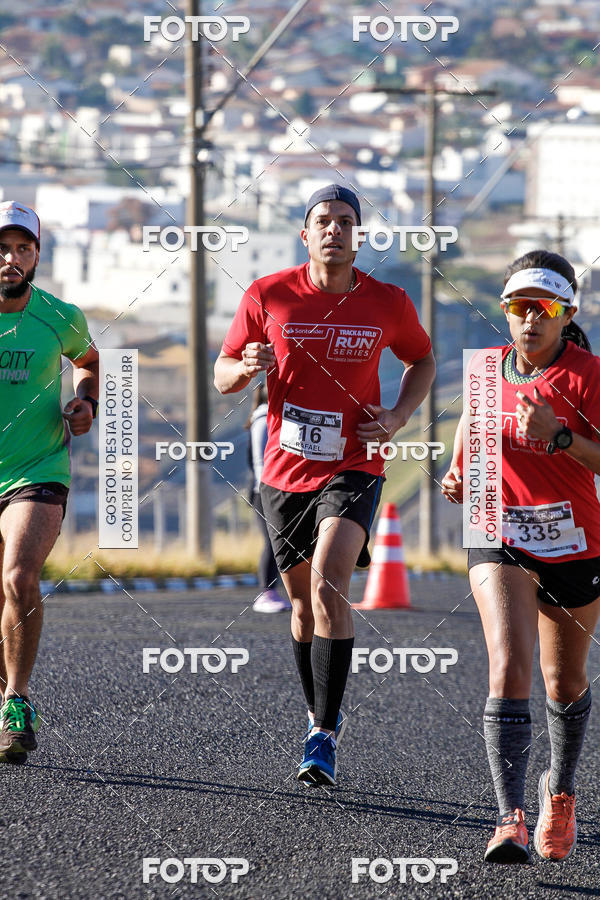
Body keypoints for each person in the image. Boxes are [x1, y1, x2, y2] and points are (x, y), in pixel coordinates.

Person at [215, 183, 435, 785]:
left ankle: (324, 733)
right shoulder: (268, 294)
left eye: (346, 221)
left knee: (330, 579)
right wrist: (244, 369)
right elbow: (223, 372)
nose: (334, 229)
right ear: (305, 235)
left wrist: (395, 417)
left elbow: (423, 360)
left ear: (358, 237)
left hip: (355, 463)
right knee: (301, 607)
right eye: (323, 221)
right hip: (284, 472)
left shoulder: (388, 302)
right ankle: (315, 712)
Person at [441, 250, 600, 862]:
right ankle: (509, 818)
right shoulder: (485, 369)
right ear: (504, 312)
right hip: (498, 527)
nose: (529, 319)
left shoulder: (587, 375)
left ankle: (559, 792)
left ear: (567, 315)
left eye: (544, 308)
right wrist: (459, 470)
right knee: (509, 662)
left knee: (565, 679)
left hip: (573, 539)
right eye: (517, 307)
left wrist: (560, 434)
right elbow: (470, 424)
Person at [0, 201, 99, 762]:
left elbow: (89, 361)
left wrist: (85, 402)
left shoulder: (59, 315)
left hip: (36, 468)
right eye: (1, 249)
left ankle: (18, 698)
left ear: (36, 256)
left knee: (18, 577)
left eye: (22, 249)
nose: (10, 260)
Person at [246, 382, 291, 612]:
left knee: (280, 542)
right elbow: (260, 461)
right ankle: (266, 593)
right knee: (273, 543)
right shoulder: (263, 419)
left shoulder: (271, 418)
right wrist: (272, 489)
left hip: (272, 489)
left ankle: (273, 591)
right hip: (264, 491)